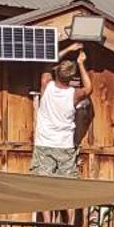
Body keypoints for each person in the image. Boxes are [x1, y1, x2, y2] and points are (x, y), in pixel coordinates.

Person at [31, 45, 92, 177]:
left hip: (44, 143)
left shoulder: (46, 84)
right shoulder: (74, 94)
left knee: (41, 183)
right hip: (65, 145)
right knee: (67, 186)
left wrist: (69, 48)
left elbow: (48, 62)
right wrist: (81, 63)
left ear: (56, 72)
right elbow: (88, 88)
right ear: (71, 78)